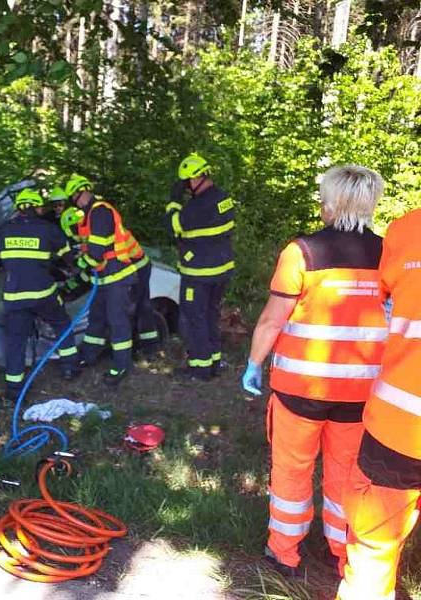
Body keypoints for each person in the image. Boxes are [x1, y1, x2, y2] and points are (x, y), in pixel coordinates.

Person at [241, 165, 387, 577]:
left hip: (300, 390)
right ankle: (342, 553)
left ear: (330, 201)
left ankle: (284, 552)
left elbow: (272, 321)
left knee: (292, 469)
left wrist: (254, 363)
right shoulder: (388, 254)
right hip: (360, 394)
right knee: (345, 475)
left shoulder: (301, 251)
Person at [336, 206, 421, 600]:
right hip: (400, 422)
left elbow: (385, 300)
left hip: (401, 425)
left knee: (373, 548)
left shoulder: (408, 229)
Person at [0, 188, 79, 400]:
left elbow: (2, 260)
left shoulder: (4, 230)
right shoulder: (47, 229)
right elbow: (69, 258)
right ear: (35, 207)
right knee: (62, 323)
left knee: (16, 341)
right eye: (41, 206)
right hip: (43, 294)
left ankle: (14, 390)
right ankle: (70, 367)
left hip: (15, 296)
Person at [66, 174, 143, 387]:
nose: (75, 202)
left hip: (117, 276)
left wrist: (80, 264)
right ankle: (89, 355)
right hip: (104, 278)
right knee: (97, 319)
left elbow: (97, 252)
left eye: (74, 197)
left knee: (117, 321)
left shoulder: (100, 211)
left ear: (81, 192)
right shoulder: (88, 217)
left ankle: (121, 365)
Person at [165, 153, 235, 381]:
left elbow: (172, 226)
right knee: (211, 315)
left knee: (194, 318)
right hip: (221, 270)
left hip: (199, 273)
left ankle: (200, 367)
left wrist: (174, 201)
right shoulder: (223, 198)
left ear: (197, 179)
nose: (185, 187)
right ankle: (214, 360)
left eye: (186, 183)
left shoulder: (196, 207)